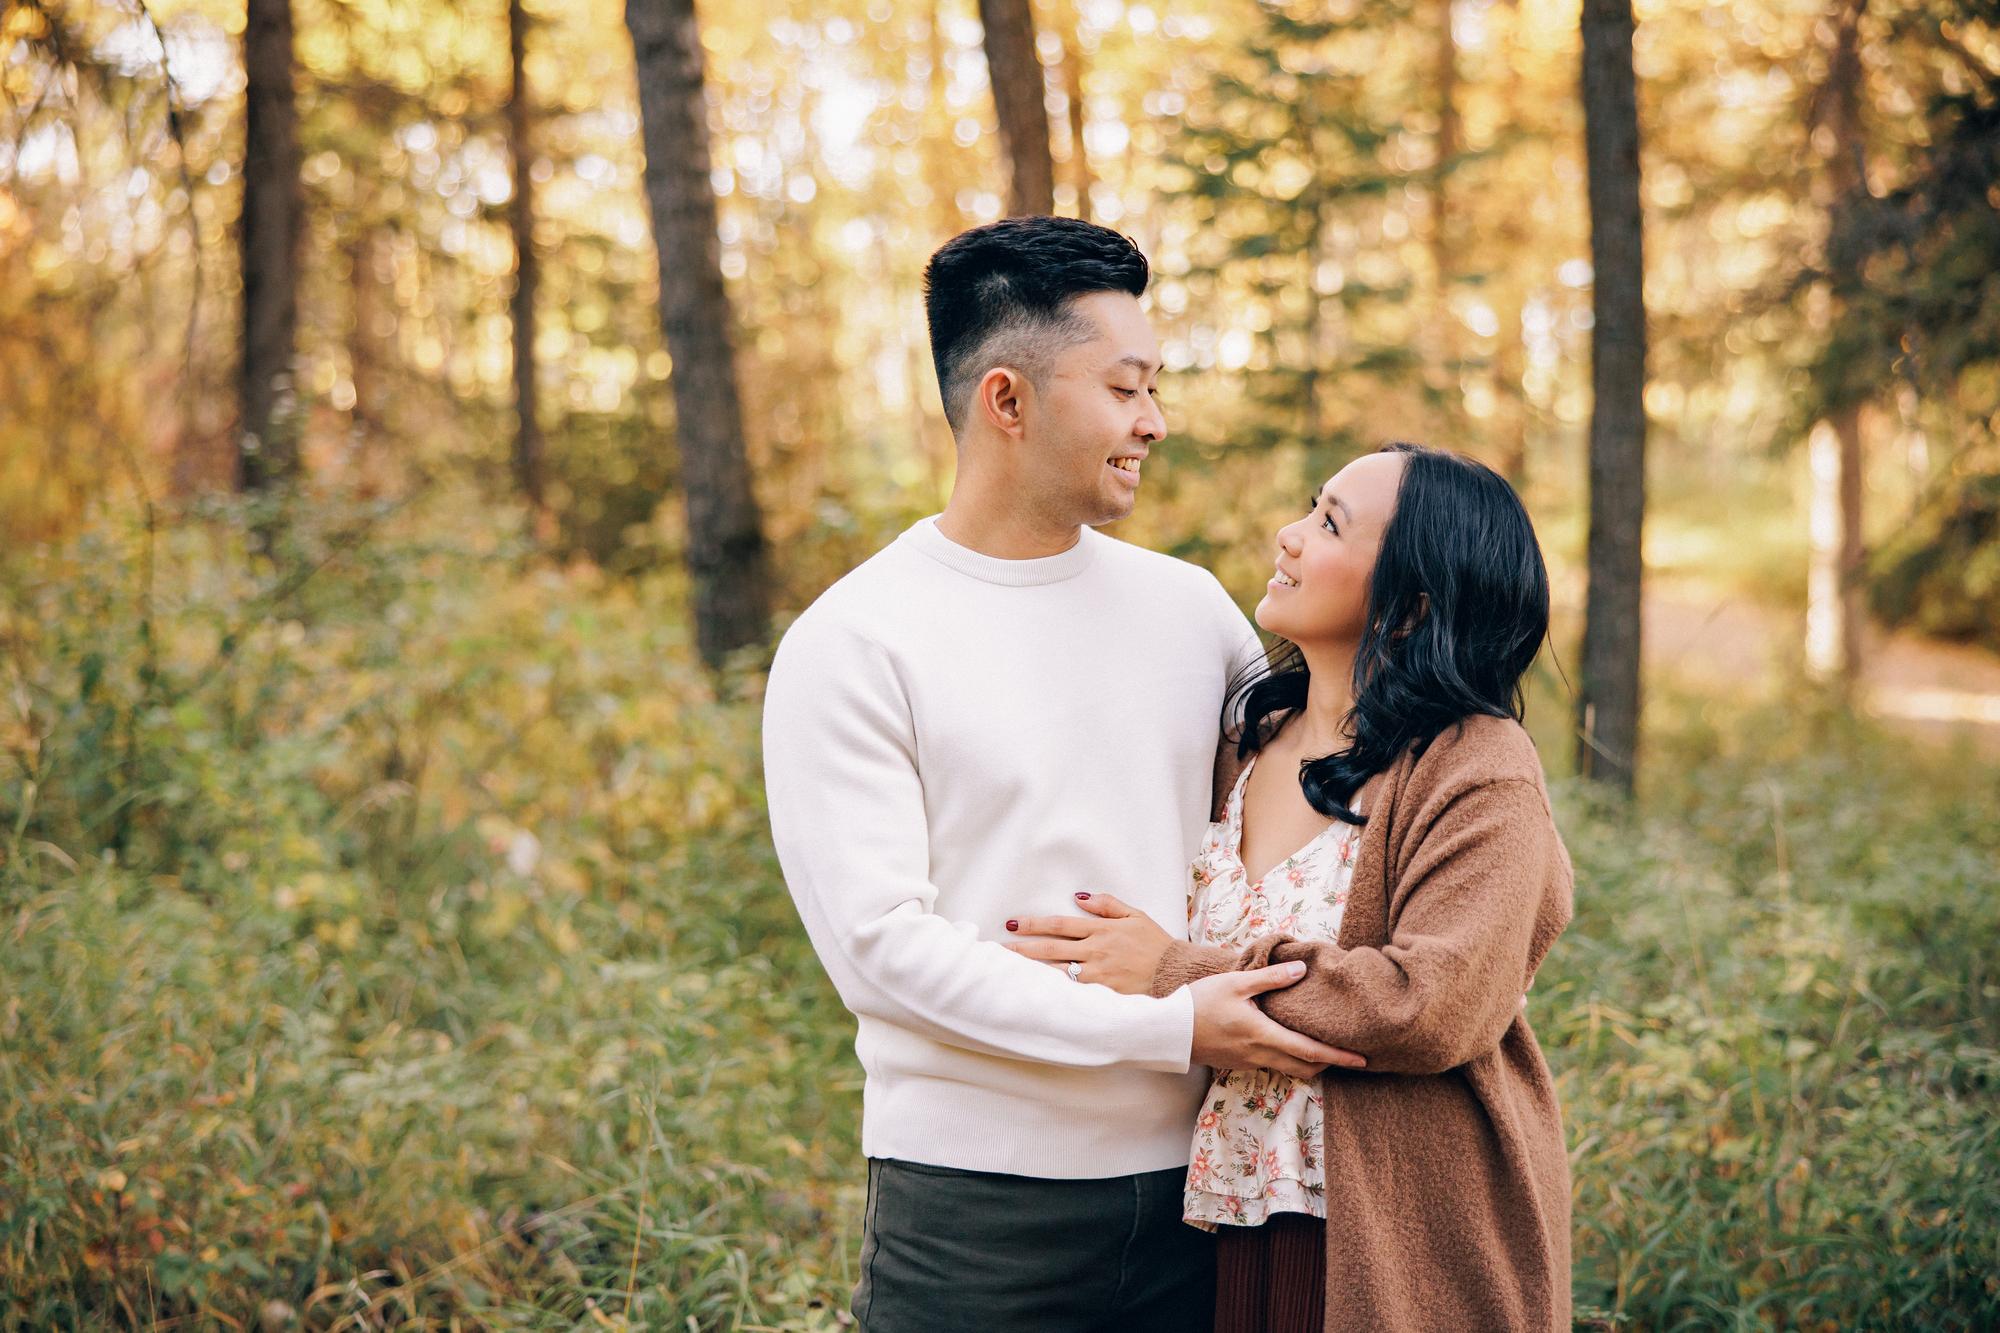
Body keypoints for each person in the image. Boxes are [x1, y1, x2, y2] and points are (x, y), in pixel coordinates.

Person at [761, 215, 1362, 1333]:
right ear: (1008, 400)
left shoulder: (1190, 609)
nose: (1154, 421)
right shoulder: (854, 642)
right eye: (1126, 388)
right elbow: (882, 952)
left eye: (1155, 387)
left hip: (1216, 1194)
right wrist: (1171, 1026)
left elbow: (1306, 815)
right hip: (977, 1220)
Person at [1006, 442, 1576, 1331]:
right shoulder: (1245, 743)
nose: (1290, 533)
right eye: (1312, 507)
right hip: (1232, 1221)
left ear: (1413, 604)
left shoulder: (1477, 766)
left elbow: (1433, 1003)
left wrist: (1175, 971)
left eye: (1330, 525)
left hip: (1395, 1239)